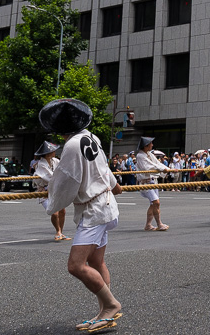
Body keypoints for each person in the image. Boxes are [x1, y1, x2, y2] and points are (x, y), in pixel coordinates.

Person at [40, 98, 123, 333]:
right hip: (106, 204)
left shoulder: (73, 145)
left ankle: (111, 304)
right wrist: (115, 185)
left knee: (76, 265)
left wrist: (50, 201)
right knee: (96, 262)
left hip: (94, 210)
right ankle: (105, 312)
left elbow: (66, 179)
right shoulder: (92, 137)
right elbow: (103, 168)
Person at [32, 141, 70, 241]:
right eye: (52, 151)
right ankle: (58, 231)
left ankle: (61, 232)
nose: (54, 152)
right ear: (48, 153)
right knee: (54, 212)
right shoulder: (41, 164)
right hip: (45, 191)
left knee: (62, 211)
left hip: (56, 189)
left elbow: (62, 170)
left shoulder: (55, 161)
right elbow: (51, 177)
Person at [134, 136, 169, 232]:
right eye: (150, 144)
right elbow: (149, 167)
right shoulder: (140, 156)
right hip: (146, 183)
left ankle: (148, 225)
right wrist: (163, 169)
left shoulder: (149, 154)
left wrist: (168, 169)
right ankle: (159, 224)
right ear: (146, 146)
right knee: (156, 202)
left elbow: (157, 163)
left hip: (153, 181)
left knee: (153, 204)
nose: (152, 145)